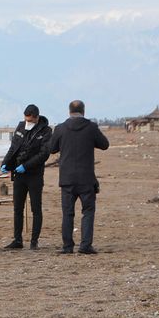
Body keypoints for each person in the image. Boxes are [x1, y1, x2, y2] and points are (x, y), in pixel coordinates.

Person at [50, 100, 109, 254]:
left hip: (67, 178)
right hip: (86, 178)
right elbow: (104, 144)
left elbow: (51, 148)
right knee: (88, 212)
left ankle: (67, 247)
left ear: (69, 112)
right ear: (84, 111)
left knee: (67, 213)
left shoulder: (60, 128)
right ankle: (85, 246)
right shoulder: (91, 128)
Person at [1, 104, 52, 250]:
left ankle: (34, 241)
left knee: (36, 208)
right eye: (26, 119)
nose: (28, 122)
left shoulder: (46, 131)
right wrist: (6, 163)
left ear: (36, 118)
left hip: (34, 175)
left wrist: (27, 166)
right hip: (18, 175)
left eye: (30, 120)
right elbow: (13, 148)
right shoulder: (21, 127)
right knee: (18, 208)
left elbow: (44, 154)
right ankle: (17, 240)